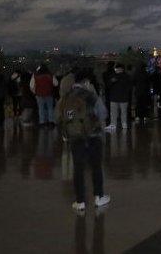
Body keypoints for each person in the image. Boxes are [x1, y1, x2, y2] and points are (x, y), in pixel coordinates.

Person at [57, 69, 110, 214]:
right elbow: (103, 113)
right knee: (96, 167)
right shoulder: (91, 96)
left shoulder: (65, 98)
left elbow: (59, 118)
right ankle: (99, 196)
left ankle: (80, 201)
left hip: (75, 137)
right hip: (93, 135)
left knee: (78, 168)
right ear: (86, 82)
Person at [106, 64, 132, 131]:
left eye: (118, 69)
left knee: (114, 112)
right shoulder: (127, 76)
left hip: (114, 97)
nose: (117, 70)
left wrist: (112, 81)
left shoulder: (113, 76)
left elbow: (108, 85)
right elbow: (129, 87)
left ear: (122, 69)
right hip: (123, 97)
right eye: (117, 69)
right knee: (123, 112)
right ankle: (124, 124)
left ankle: (113, 124)